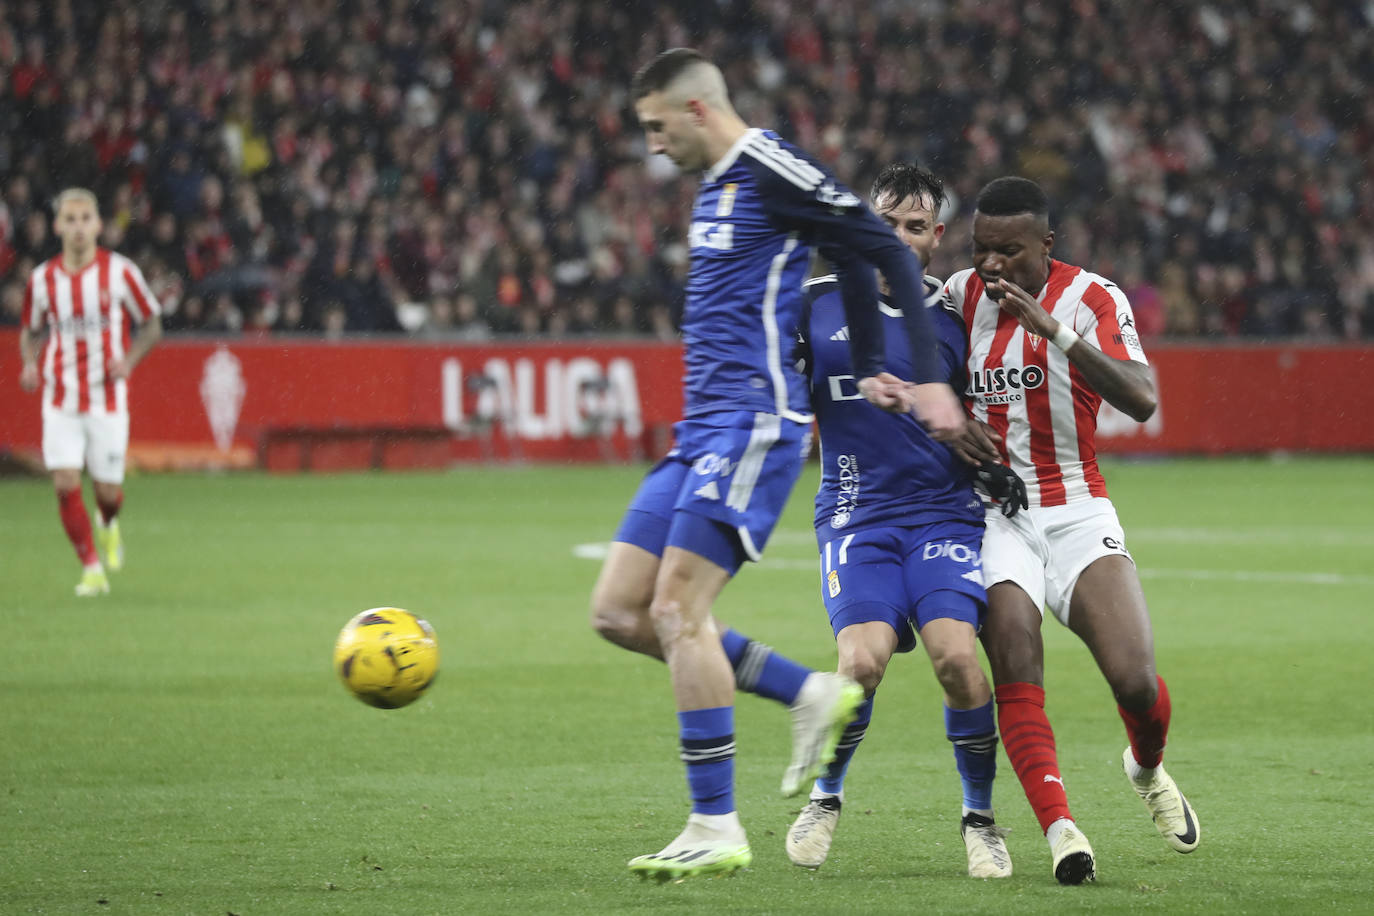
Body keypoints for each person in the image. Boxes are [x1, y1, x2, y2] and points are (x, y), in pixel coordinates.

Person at [590, 48, 966, 882]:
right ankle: (807, 691)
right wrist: (870, 359)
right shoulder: (719, 184)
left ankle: (714, 821)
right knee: (619, 612)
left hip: (753, 425)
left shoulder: (770, 166)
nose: (651, 145)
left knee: (678, 609)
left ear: (694, 110)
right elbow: (854, 256)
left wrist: (926, 381)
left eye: (656, 126)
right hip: (699, 432)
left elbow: (882, 249)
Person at [944, 176, 1200, 885]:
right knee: (1017, 661)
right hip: (996, 515)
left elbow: (1143, 398)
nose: (992, 266)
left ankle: (1145, 769)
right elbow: (918, 374)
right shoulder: (956, 296)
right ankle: (1061, 831)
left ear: (1047, 245)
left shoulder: (1092, 299)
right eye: (981, 250)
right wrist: (946, 424)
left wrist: (1052, 332)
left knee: (1135, 678)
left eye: (1010, 252)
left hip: (1079, 507)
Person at [786, 164, 1026, 877]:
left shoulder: (951, 323)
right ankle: (825, 799)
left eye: (914, 227)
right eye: (886, 222)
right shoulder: (814, 304)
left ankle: (980, 818)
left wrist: (990, 464)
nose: (898, 238)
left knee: (957, 658)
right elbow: (779, 392)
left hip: (941, 518)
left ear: (935, 237)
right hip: (856, 516)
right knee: (860, 662)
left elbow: (976, 421)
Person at [18, 187, 163, 596]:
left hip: (107, 399)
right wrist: (29, 362)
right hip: (60, 399)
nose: (79, 227)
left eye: (86, 219)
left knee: (107, 492)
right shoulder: (42, 280)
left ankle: (109, 522)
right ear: (58, 226)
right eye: (71, 219)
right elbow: (30, 332)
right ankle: (91, 568)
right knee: (65, 482)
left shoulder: (120, 272)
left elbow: (152, 324)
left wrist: (129, 362)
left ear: (99, 225)